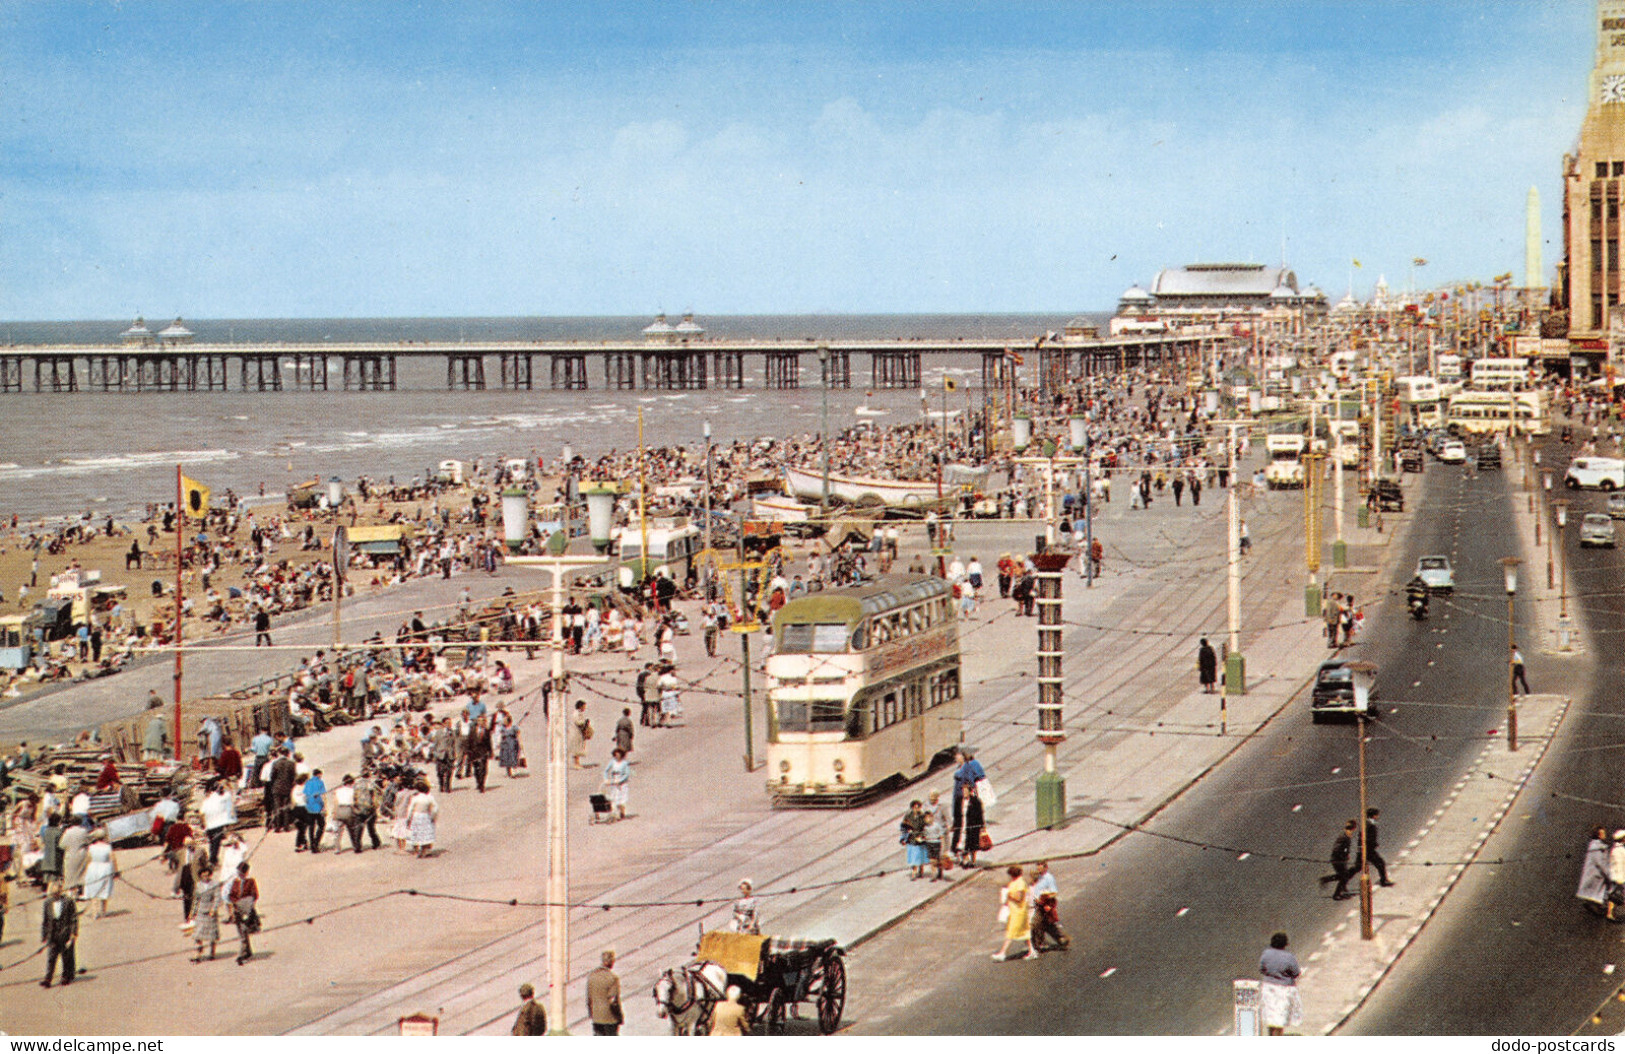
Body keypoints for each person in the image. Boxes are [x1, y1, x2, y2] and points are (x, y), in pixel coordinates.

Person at [1258, 932, 1303, 1035]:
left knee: (1271, 1015)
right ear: (1285, 944)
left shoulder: (1266, 954)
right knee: (1280, 1017)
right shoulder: (1289, 957)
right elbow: (1296, 973)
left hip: (1268, 988)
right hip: (1284, 990)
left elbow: (1262, 969)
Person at [992, 865, 1035, 961]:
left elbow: (1019, 898)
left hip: (1019, 911)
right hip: (1015, 910)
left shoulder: (1020, 883)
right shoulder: (1014, 882)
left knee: (1011, 932)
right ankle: (1032, 951)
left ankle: (1002, 953)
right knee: (1024, 931)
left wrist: (1009, 896)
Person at [39, 880, 78, 988]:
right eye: (53, 894)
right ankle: (48, 978)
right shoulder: (47, 903)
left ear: (61, 892)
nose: (55, 896)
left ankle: (66, 976)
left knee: (66, 956)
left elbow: (74, 918)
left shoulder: (68, 901)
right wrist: (44, 934)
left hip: (65, 932)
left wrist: (73, 933)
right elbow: (45, 920)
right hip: (53, 934)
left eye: (57, 894)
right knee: (51, 957)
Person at [950, 748, 985, 862]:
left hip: (963, 798)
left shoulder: (966, 767)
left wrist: (968, 792)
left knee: (963, 827)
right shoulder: (961, 767)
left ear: (962, 756)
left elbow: (972, 780)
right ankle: (961, 853)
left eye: (958, 755)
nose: (956, 758)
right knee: (959, 826)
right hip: (958, 798)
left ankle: (963, 853)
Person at [1028, 860, 1070, 951]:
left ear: (1046, 867)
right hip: (1039, 904)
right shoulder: (1039, 877)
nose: (1038, 867)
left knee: (1035, 924)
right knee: (1046, 924)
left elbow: (1054, 893)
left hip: (1045, 904)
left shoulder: (1049, 878)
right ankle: (1060, 939)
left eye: (1041, 865)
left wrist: (1046, 900)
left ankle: (1038, 944)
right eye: (1037, 865)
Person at [227, 860, 259, 964]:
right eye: (238, 872)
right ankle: (248, 951)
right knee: (241, 932)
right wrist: (234, 903)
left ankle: (242, 954)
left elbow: (255, 895)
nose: (240, 875)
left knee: (244, 931)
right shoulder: (235, 883)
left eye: (242, 873)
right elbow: (231, 895)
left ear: (246, 873)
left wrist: (248, 904)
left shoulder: (250, 881)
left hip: (247, 910)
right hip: (237, 910)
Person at [586, 949, 623, 1035]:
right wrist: (619, 1016)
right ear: (611, 962)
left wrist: (591, 1014)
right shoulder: (613, 978)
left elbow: (589, 998)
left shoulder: (592, 976)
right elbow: (613, 1002)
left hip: (596, 1018)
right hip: (610, 1018)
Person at [81, 829, 117, 918]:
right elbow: (113, 858)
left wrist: (85, 870)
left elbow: (88, 859)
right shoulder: (108, 847)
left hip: (93, 868)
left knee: (94, 890)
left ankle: (94, 912)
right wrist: (116, 870)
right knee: (104, 889)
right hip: (105, 868)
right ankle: (103, 912)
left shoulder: (91, 847)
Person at [1320, 819, 1358, 900]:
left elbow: (1344, 848)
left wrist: (1346, 854)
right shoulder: (1344, 836)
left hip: (1340, 859)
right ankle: (1336, 895)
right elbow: (1337, 849)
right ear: (1354, 828)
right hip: (1337, 859)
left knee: (1344, 875)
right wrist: (1343, 855)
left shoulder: (1346, 835)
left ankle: (1327, 879)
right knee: (1344, 876)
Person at [1580, 826, 1613, 910]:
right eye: (1602, 833)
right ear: (1599, 835)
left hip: (1592, 872)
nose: (1605, 834)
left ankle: (1594, 903)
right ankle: (1596, 905)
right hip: (1596, 873)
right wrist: (1608, 873)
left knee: (1594, 889)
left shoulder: (1594, 845)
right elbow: (1600, 863)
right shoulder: (1598, 847)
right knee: (1600, 887)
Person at [408, 780, 439, 857]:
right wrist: (433, 817)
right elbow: (435, 808)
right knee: (425, 833)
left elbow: (410, 809)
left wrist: (408, 819)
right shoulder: (429, 798)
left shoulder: (415, 798)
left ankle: (416, 850)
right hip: (425, 816)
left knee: (416, 832)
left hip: (416, 816)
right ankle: (424, 849)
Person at [1365, 807, 1393, 887]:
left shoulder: (1368, 823)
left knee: (1356, 868)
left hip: (1367, 850)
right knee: (1381, 863)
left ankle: (1342, 882)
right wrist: (1373, 845)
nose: (1377, 817)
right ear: (1373, 815)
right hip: (1368, 850)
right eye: (1377, 815)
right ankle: (1383, 881)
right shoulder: (1369, 825)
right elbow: (1368, 838)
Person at [901, 800, 928, 880]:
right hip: (912, 839)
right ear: (912, 808)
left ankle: (921, 870)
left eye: (918, 807)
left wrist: (923, 836)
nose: (917, 809)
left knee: (921, 856)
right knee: (914, 857)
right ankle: (914, 873)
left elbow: (926, 827)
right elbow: (903, 827)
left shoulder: (923, 816)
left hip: (920, 839)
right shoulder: (908, 816)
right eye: (915, 807)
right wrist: (904, 836)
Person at [601, 749, 630, 821]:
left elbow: (627, 774)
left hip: (622, 783)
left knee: (622, 798)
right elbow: (606, 771)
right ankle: (614, 813)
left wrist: (620, 781)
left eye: (618, 755)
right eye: (616, 755)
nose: (617, 756)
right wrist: (606, 779)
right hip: (614, 781)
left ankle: (622, 813)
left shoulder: (624, 763)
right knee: (614, 797)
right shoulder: (612, 762)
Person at [962, 782, 986, 867]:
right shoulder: (961, 801)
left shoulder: (976, 801)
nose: (964, 793)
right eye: (963, 791)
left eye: (965, 791)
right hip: (963, 825)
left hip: (973, 826)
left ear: (970, 791)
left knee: (973, 846)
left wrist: (982, 826)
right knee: (963, 845)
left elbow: (980, 814)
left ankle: (973, 861)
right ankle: (966, 860)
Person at [497, 713, 523, 778]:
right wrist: (499, 743)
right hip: (505, 745)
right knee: (506, 758)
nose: (504, 723)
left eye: (505, 721)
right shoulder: (503, 728)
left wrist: (521, 744)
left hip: (513, 745)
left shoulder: (514, 728)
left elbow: (518, 736)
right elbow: (500, 736)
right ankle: (508, 772)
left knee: (513, 757)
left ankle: (513, 772)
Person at [569, 701, 591, 769]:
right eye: (584, 706)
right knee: (576, 748)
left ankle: (577, 763)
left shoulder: (580, 713)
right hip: (576, 733)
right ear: (580, 706)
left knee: (579, 748)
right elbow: (578, 722)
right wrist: (585, 723)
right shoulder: (576, 714)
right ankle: (576, 764)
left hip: (579, 733)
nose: (585, 708)